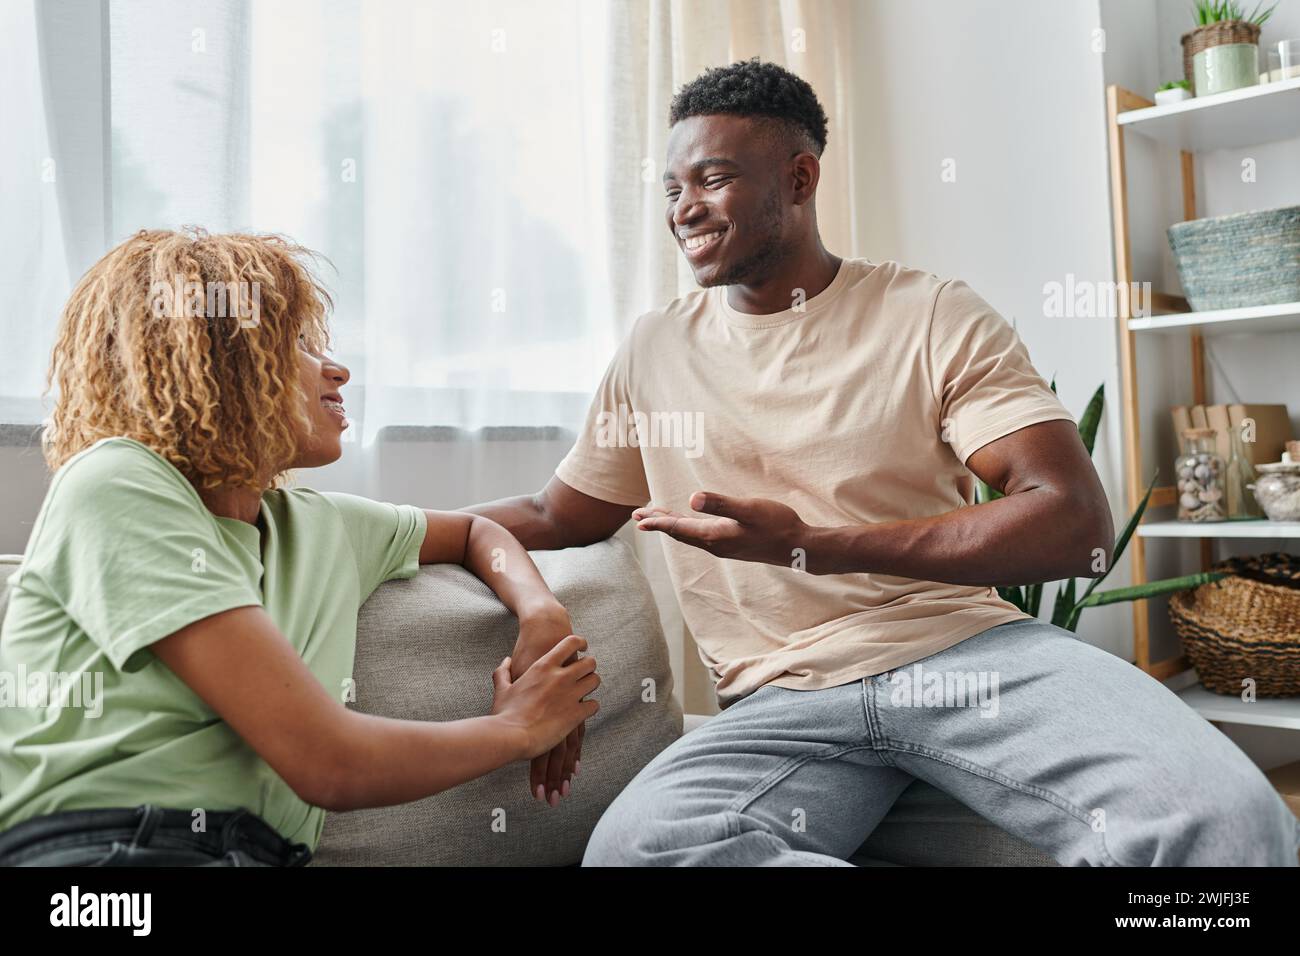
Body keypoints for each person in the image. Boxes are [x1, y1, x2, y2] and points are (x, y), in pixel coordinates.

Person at [467, 59, 1300, 866]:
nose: (686, 209)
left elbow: (1073, 523)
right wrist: (373, 527)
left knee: (1230, 826)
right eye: (674, 189)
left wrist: (815, 544)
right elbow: (557, 516)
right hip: (783, 703)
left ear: (798, 179)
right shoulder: (653, 349)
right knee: (641, 850)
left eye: (713, 180)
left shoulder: (930, 313)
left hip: (965, 656)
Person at [0, 228, 597, 867]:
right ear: (217, 359)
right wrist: (517, 729)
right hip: (99, 857)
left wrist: (541, 614)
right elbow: (327, 765)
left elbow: (480, 533)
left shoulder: (322, 527)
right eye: (298, 346)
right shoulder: (116, 482)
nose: (337, 368)